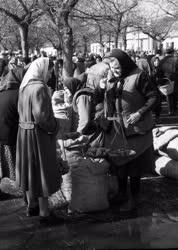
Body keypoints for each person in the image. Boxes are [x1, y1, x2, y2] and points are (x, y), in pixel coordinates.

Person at [105, 49, 158, 212]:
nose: (116, 71)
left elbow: (154, 97)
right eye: (113, 69)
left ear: (125, 64)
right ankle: (122, 194)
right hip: (119, 130)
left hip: (136, 129)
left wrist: (139, 113)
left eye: (118, 69)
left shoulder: (140, 75)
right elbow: (108, 100)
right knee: (120, 163)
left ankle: (134, 199)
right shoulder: (111, 77)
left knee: (134, 167)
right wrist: (103, 88)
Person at [15, 57, 62, 225]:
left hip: (24, 133)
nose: (51, 74)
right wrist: (55, 126)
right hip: (37, 135)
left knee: (29, 170)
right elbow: (41, 117)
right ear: (42, 69)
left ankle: (32, 206)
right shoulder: (39, 87)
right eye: (50, 70)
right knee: (42, 171)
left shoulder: (24, 86)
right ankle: (44, 213)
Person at [0, 66, 25, 199]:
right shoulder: (18, 94)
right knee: (13, 163)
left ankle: (7, 187)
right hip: (10, 134)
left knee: (5, 163)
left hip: (3, 132)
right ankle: (16, 188)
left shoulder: (2, 91)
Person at [156, 47, 178, 115]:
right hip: (175, 78)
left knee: (168, 93)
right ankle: (174, 108)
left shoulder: (162, 60)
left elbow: (158, 71)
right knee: (175, 93)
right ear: (172, 52)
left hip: (166, 78)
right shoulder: (176, 59)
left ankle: (170, 110)